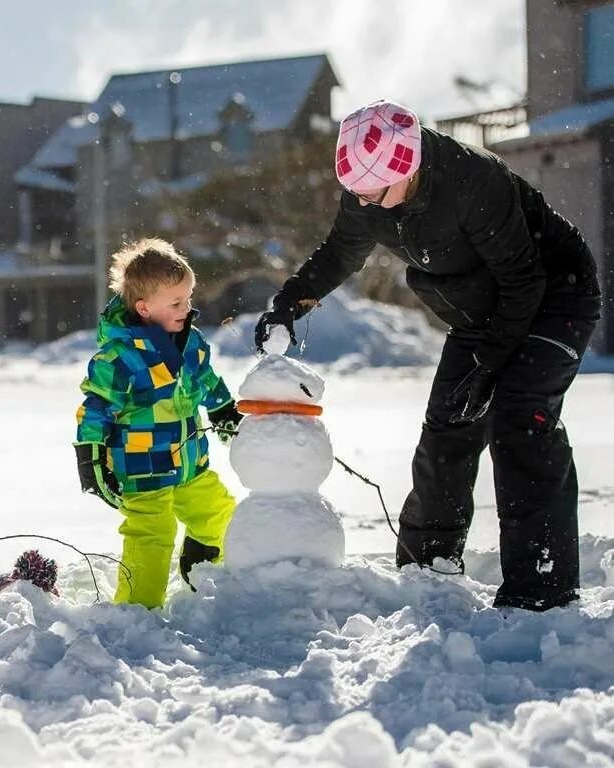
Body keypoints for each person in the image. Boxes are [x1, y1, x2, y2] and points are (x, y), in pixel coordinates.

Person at [254, 100, 601, 611]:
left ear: (409, 167)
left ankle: (541, 588)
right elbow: (339, 254)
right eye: (357, 192)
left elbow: (524, 281)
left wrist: (487, 366)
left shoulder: (472, 182)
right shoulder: (365, 196)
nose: (365, 202)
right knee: (446, 425)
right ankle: (428, 565)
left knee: (520, 420)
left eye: (376, 191)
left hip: (551, 296)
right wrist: (289, 301)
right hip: (482, 308)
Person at [75, 238, 243, 609]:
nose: (187, 308)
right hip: (142, 467)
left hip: (188, 463)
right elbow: (97, 407)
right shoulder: (121, 356)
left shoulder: (191, 342)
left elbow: (206, 381)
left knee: (219, 511)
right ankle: (138, 609)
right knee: (153, 533)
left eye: (188, 299)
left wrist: (224, 411)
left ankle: (200, 570)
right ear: (144, 307)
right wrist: (90, 456)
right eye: (177, 303)